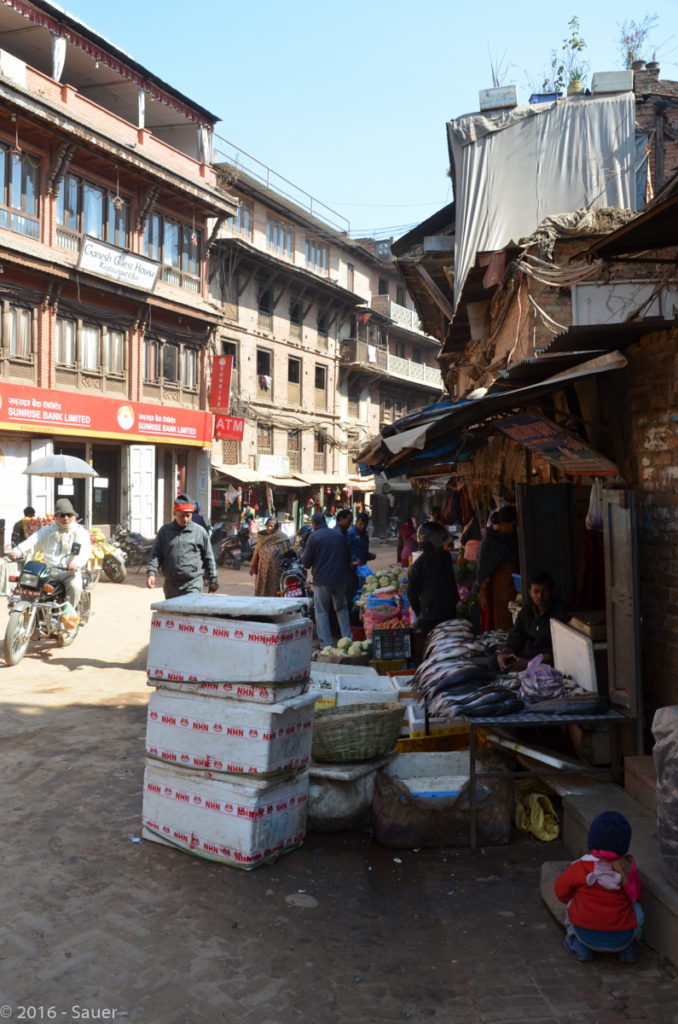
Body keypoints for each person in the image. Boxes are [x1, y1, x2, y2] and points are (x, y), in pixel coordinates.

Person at [555, 811, 643, 963]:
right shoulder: (628, 869)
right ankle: (627, 950)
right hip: (622, 938)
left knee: (571, 903)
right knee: (636, 909)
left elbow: (561, 893)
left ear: (591, 841)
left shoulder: (580, 867)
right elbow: (636, 895)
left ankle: (578, 945)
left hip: (585, 935)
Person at [9, 498, 91, 610]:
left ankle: (69, 617)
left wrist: (76, 563)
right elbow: (32, 541)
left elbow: (84, 551)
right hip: (49, 573)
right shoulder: (47, 531)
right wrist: (18, 551)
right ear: (56, 516)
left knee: (75, 586)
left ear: (73, 516)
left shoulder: (80, 532)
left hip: (70, 573)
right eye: (62, 515)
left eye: (69, 515)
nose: (66, 518)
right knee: (30, 588)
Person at [147, 493, 218, 599]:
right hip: (171, 585)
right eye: (181, 515)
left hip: (193, 584)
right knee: (174, 614)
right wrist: (151, 573)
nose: (185, 519)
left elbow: (209, 557)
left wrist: (213, 579)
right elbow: (156, 554)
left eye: (188, 515)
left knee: (189, 611)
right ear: (174, 513)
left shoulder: (200, 532)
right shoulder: (165, 532)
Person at [496, 570, 570, 671]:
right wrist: (505, 653)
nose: (540, 596)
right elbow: (516, 635)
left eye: (545, 591)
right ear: (530, 592)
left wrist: (529, 664)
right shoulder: (527, 611)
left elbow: (560, 649)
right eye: (536, 591)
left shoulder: (561, 612)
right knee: (496, 661)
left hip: (548, 661)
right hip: (530, 656)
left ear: (552, 591)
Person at [407, 521, 460, 655]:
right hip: (430, 616)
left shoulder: (446, 556)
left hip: (448, 611)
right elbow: (412, 593)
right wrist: (420, 612)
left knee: (449, 650)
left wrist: (455, 599)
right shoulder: (419, 565)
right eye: (440, 545)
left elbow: (450, 581)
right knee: (432, 652)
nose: (443, 547)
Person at [300, 513, 352, 649]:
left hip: (323, 580)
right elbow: (347, 556)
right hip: (341, 579)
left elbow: (305, 562)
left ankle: (326, 643)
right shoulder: (337, 535)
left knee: (321, 611)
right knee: (341, 608)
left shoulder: (314, 537)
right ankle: (347, 639)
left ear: (314, 524)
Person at [476, 505, 520, 632]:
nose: (515, 528)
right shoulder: (490, 541)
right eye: (513, 525)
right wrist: (483, 591)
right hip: (498, 589)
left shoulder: (510, 537)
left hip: (513, 586)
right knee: (501, 620)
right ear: (504, 524)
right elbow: (485, 568)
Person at [249, 517, 289, 596]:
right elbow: (256, 553)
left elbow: (287, 553)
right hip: (262, 570)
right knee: (261, 587)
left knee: (274, 588)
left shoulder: (282, 538)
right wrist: (252, 566)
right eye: (267, 526)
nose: (269, 528)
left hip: (275, 570)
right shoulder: (261, 538)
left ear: (276, 527)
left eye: (271, 526)